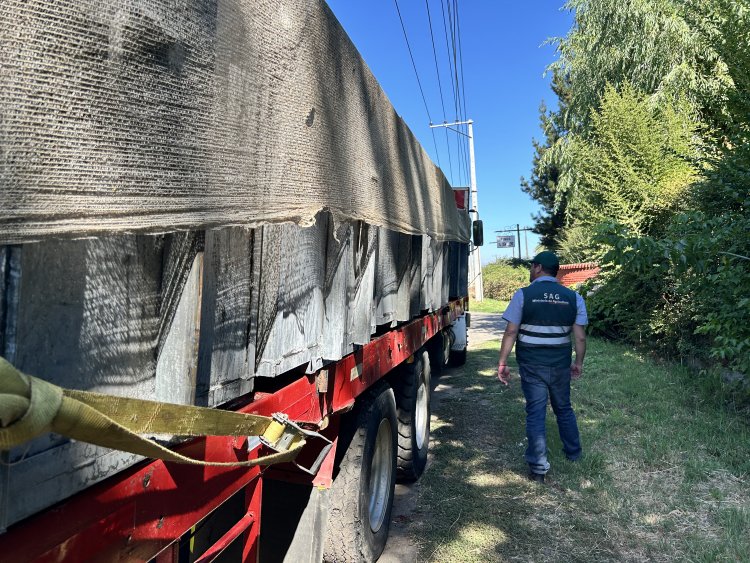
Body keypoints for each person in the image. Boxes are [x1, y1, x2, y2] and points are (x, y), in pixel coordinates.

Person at [496, 251, 587, 483]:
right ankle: (574, 454)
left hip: (531, 364)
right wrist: (578, 363)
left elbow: (511, 331)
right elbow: (580, 338)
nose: (529, 271)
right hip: (559, 364)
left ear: (537, 268)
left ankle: (538, 468)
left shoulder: (523, 295)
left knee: (535, 411)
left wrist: (503, 362)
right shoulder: (574, 298)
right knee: (563, 407)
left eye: (531, 267)